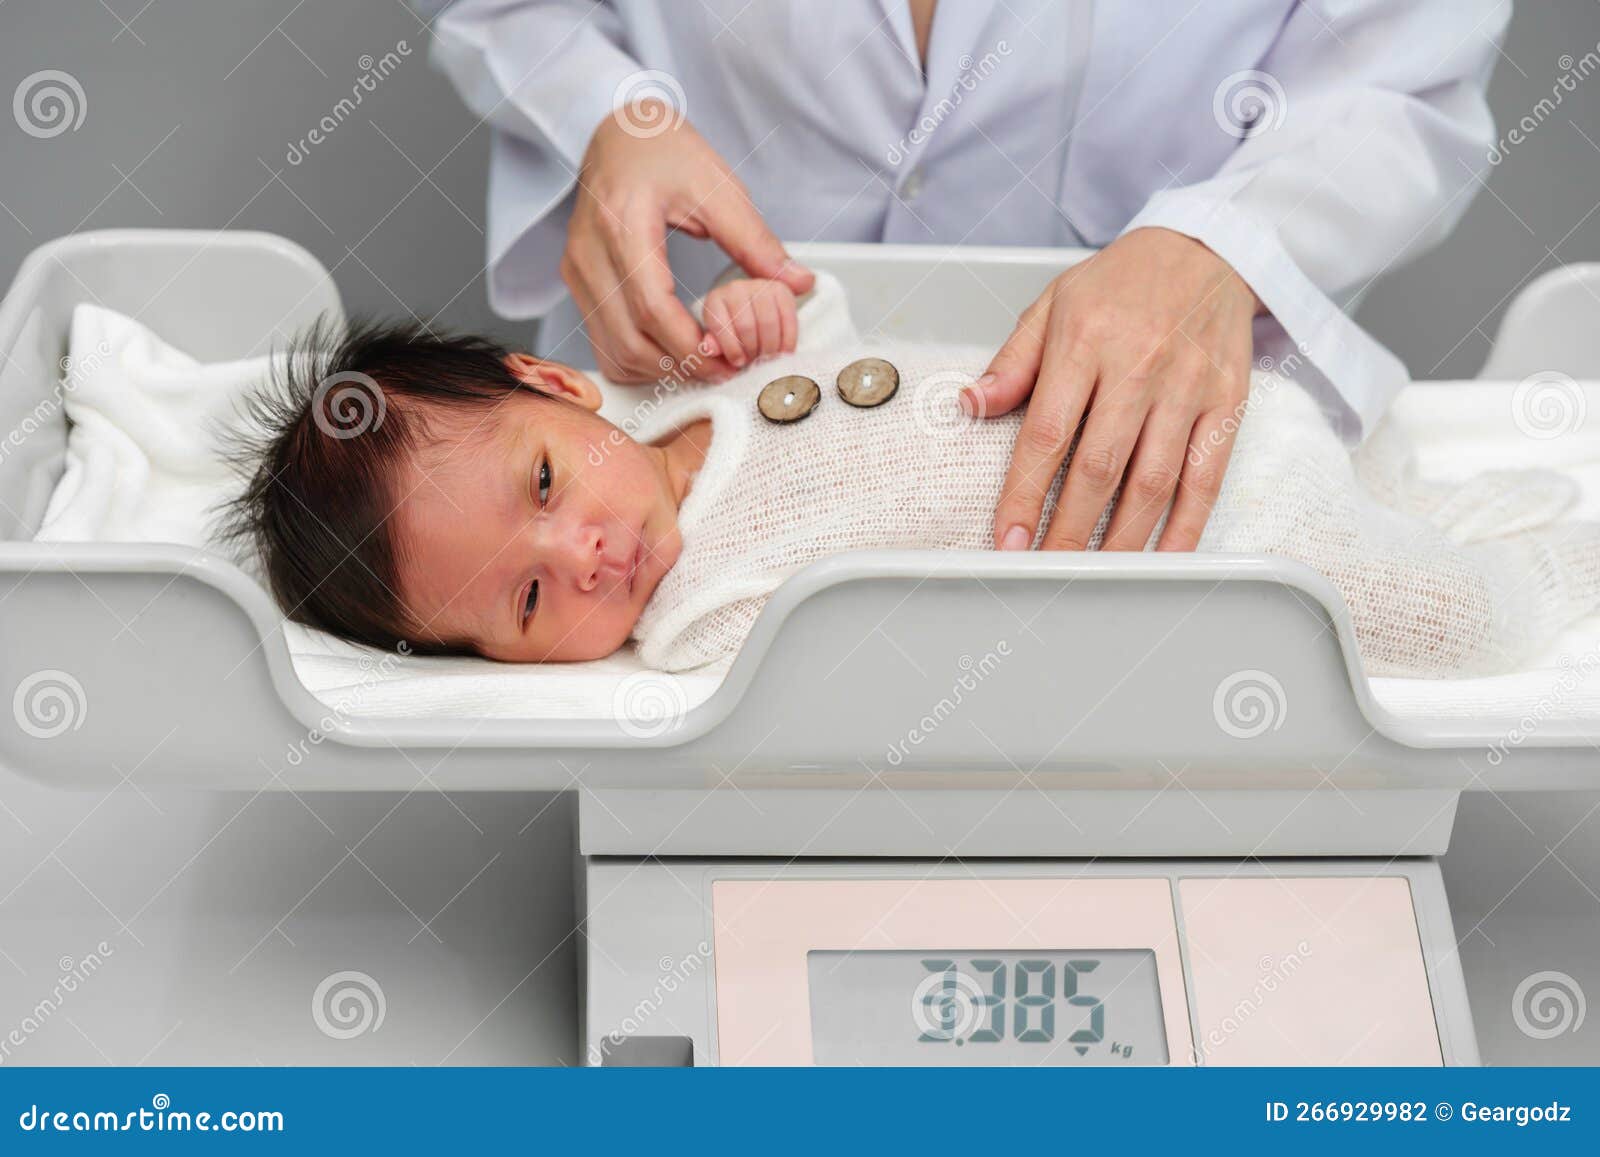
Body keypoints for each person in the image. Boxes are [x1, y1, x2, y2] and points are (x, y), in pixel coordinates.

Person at [426, 0, 1511, 555]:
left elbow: (1402, 73)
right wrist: (608, 113)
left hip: (1175, 460)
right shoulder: (633, 576)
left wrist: (1223, 244)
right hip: (679, 392)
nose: (572, 556)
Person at [226, 273, 1600, 678]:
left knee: (1383, 498)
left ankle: (1456, 507)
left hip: (1177, 398)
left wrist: (772, 315)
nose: (584, 553)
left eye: (542, 488)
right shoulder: (697, 616)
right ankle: (1552, 566)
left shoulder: (680, 377)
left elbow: (837, 335)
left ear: (559, 383)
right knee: (1443, 621)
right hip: (1200, 535)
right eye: (527, 604)